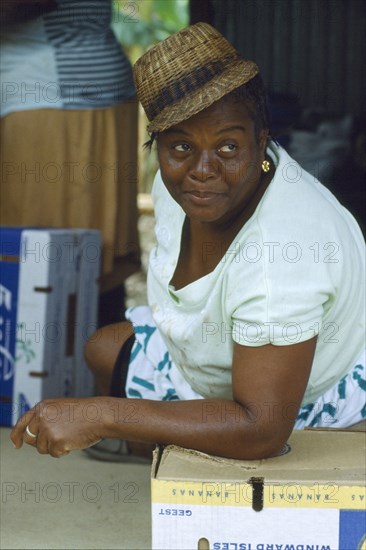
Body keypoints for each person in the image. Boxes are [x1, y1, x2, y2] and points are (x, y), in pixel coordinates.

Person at [10, 23, 366, 461]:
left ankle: (162, 445)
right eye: (181, 147)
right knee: (104, 349)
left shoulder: (283, 254)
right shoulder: (177, 187)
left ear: (262, 140)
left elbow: (262, 428)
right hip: (212, 364)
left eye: (228, 148)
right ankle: (162, 443)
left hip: (301, 399)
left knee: (239, 435)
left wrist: (105, 414)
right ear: (158, 147)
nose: (202, 169)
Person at [0, 0, 140, 323]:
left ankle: (76, 370)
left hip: (54, 99)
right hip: (63, 96)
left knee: (47, 270)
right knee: (74, 270)